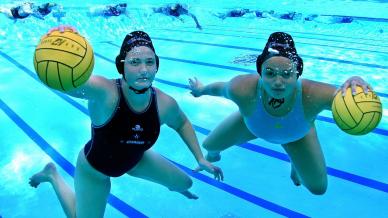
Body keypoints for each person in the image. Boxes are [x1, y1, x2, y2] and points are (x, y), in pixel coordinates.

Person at [29, 26, 223, 218]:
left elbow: (182, 123)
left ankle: (174, 184)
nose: (143, 70)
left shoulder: (164, 104)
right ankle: (52, 175)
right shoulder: (104, 92)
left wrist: (200, 158)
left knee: (185, 184)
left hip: (136, 160)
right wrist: (57, 45)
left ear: (157, 65)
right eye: (135, 62)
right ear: (121, 66)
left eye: (149, 62)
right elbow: (65, 83)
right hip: (95, 170)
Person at [189, 32, 372, 195]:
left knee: (318, 188)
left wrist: (356, 80)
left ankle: (295, 161)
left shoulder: (312, 94)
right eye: (270, 73)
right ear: (260, 72)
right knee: (210, 145)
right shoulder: (243, 89)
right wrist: (201, 90)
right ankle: (214, 156)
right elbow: (220, 89)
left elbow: (347, 98)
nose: (278, 82)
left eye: (286, 74)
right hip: (252, 124)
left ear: (296, 74)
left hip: (297, 134)